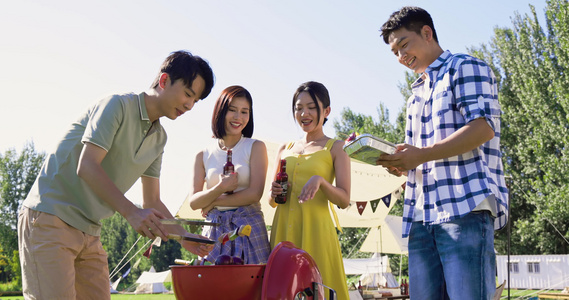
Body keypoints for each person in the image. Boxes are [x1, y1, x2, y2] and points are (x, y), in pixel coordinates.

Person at [17, 50, 215, 299]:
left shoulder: (159, 138)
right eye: (188, 94)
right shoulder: (117, 105)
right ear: (164, 81)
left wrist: (183, 236)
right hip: (50, 218)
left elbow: (152, 201)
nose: (189, 105)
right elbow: (87, 166)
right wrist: (131, 213)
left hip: (90, 231)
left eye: (195, 101)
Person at [377, 7, 509, 300]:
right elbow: (423, 157)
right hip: (421, 216)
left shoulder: (464, 67)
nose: (400, 56)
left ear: (427, 32)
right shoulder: (415, 95)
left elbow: (483, 128)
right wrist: (402, 163)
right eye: (394, 51)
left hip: (465, 208)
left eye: (404, 44)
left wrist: (420, 154)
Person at [269, 81, 350, 300]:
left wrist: (321, 182)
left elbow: (344, 199)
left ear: (326, 111)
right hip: (283, 231)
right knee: (282, 289)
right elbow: (272, 201)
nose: (304, 113)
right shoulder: (284, 149)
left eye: (312, 107)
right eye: (298, 107)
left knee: (320, 289)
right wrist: (274, 192)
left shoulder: (336, 147)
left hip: (317, 231)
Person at [188, 85, 271, 264]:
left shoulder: (256, 147)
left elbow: (255, 194)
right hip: (214, 229)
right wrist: (220, 188)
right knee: (213, 287)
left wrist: (214, 201)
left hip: (249, 227)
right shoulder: (203, 153)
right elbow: (194, 202)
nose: (238, 117)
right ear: (220, 110)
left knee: (253, 285)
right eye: (232, 110)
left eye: (244, 112)